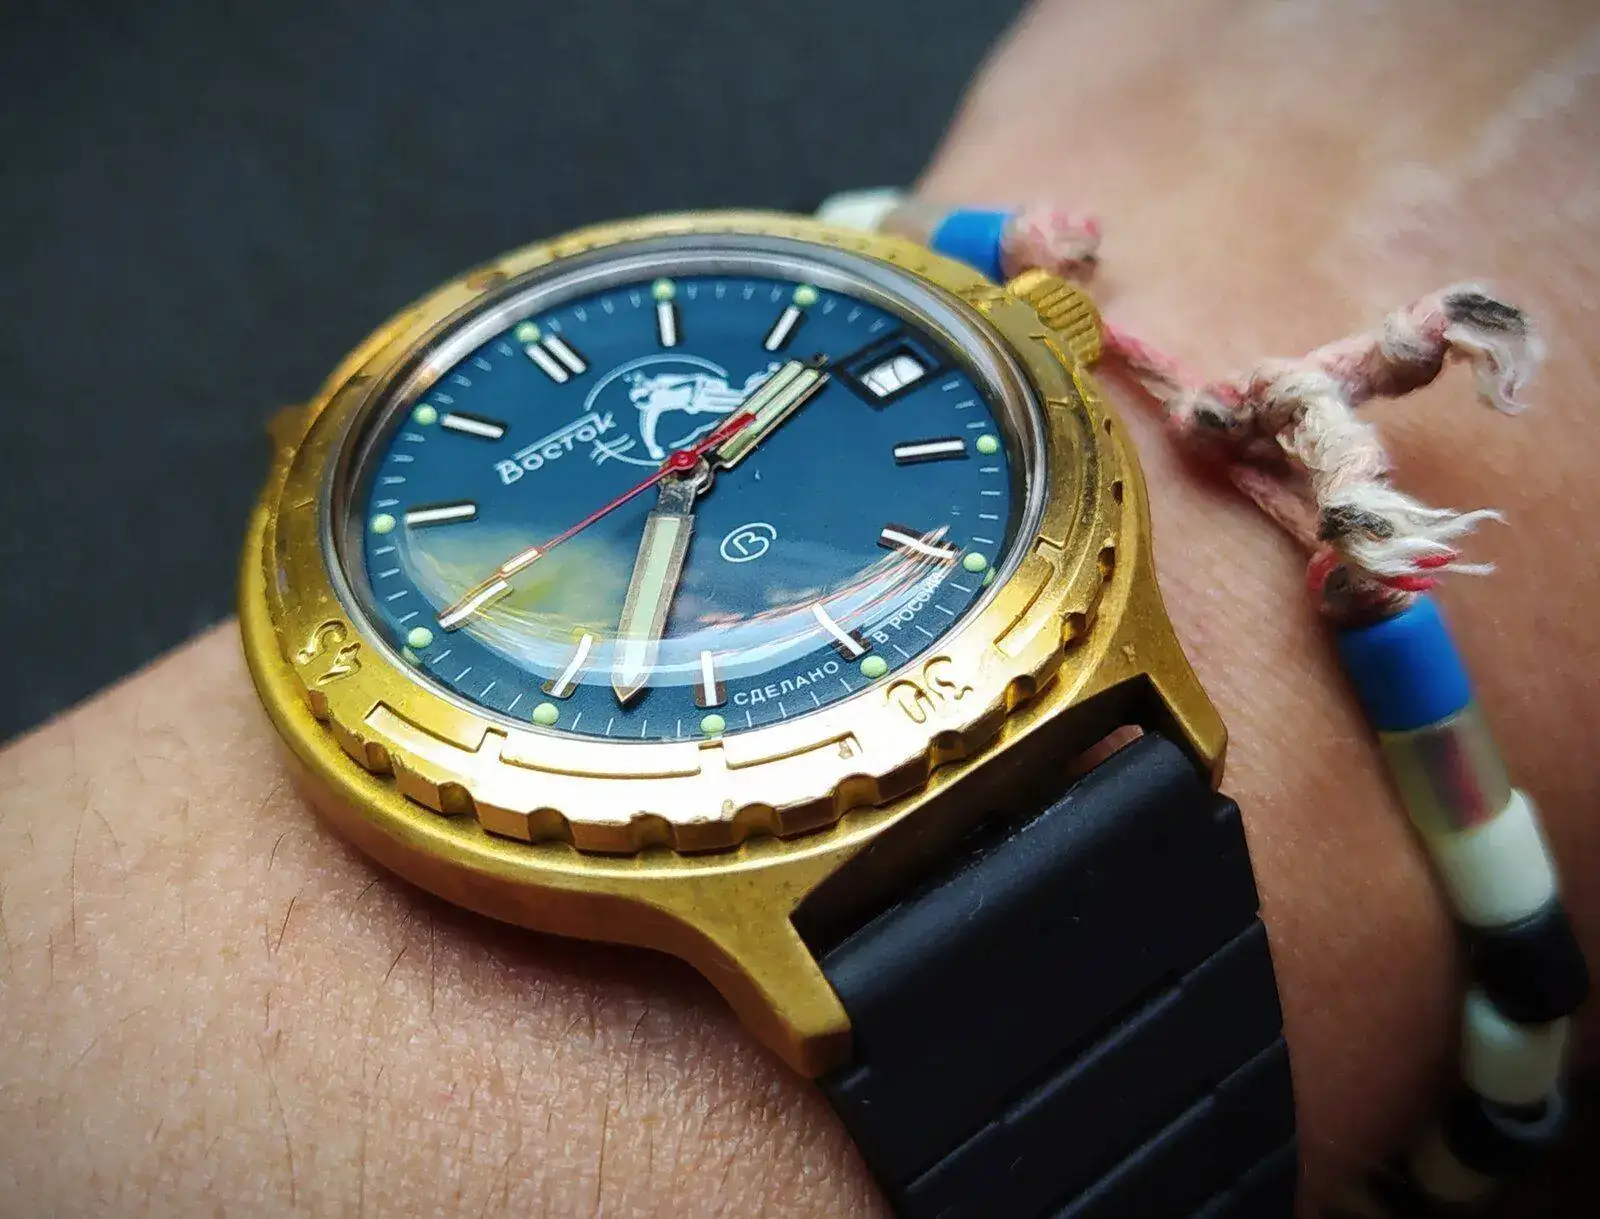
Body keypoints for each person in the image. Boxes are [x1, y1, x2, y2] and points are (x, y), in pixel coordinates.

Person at [1, 1, 1595, 1213]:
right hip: (768, 873)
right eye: (670, 456)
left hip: (1054, 674)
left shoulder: (961, 422)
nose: (682, 466)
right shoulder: (389, 556)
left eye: (700, 439)